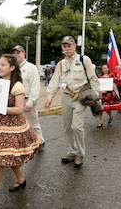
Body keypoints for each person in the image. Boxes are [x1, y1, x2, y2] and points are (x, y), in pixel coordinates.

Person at [0, 54, 40, 209]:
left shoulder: (17, 86)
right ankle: (21, 179)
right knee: (8, 157)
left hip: (12, 129)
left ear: (12, 68)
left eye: (3, 64)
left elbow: (19, 109)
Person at [45, 36, 99, 168]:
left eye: (69, 45)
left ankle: (80, 154)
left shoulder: (83, 60)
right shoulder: (61, 64)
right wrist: (49, 97)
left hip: (80, 97)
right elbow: (54, 81)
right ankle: (72, 151)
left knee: (77, 127)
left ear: (75, 46)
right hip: (66, 97)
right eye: (64, 46)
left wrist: (96, 95)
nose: (67, 48)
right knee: (67, 127)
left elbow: (92, 78)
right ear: (62, 48)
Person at [12, 45, 45, 150]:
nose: (16, 55)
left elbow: (35, 86)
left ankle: (40, 142)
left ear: (24, 53)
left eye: (18, 52)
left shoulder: (31, 67)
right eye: (14, 53)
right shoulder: (13, 68)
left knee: (33, 123)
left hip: (27, 100)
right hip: (15, 101)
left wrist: (31, 102)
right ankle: (22, 144)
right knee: (17, 124)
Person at [97, 65, 121, 129]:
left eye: (105, 68)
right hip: (101, 94)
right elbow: (98, 86)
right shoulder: (100, 77)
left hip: (108, 94)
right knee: (100, 108)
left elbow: (114, 85)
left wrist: (117, 93)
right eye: (103, 68)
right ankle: (100, 122)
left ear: (108, 69)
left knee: (107, 108)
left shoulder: (111, 77)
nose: (104, 69)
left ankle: (110, 116)